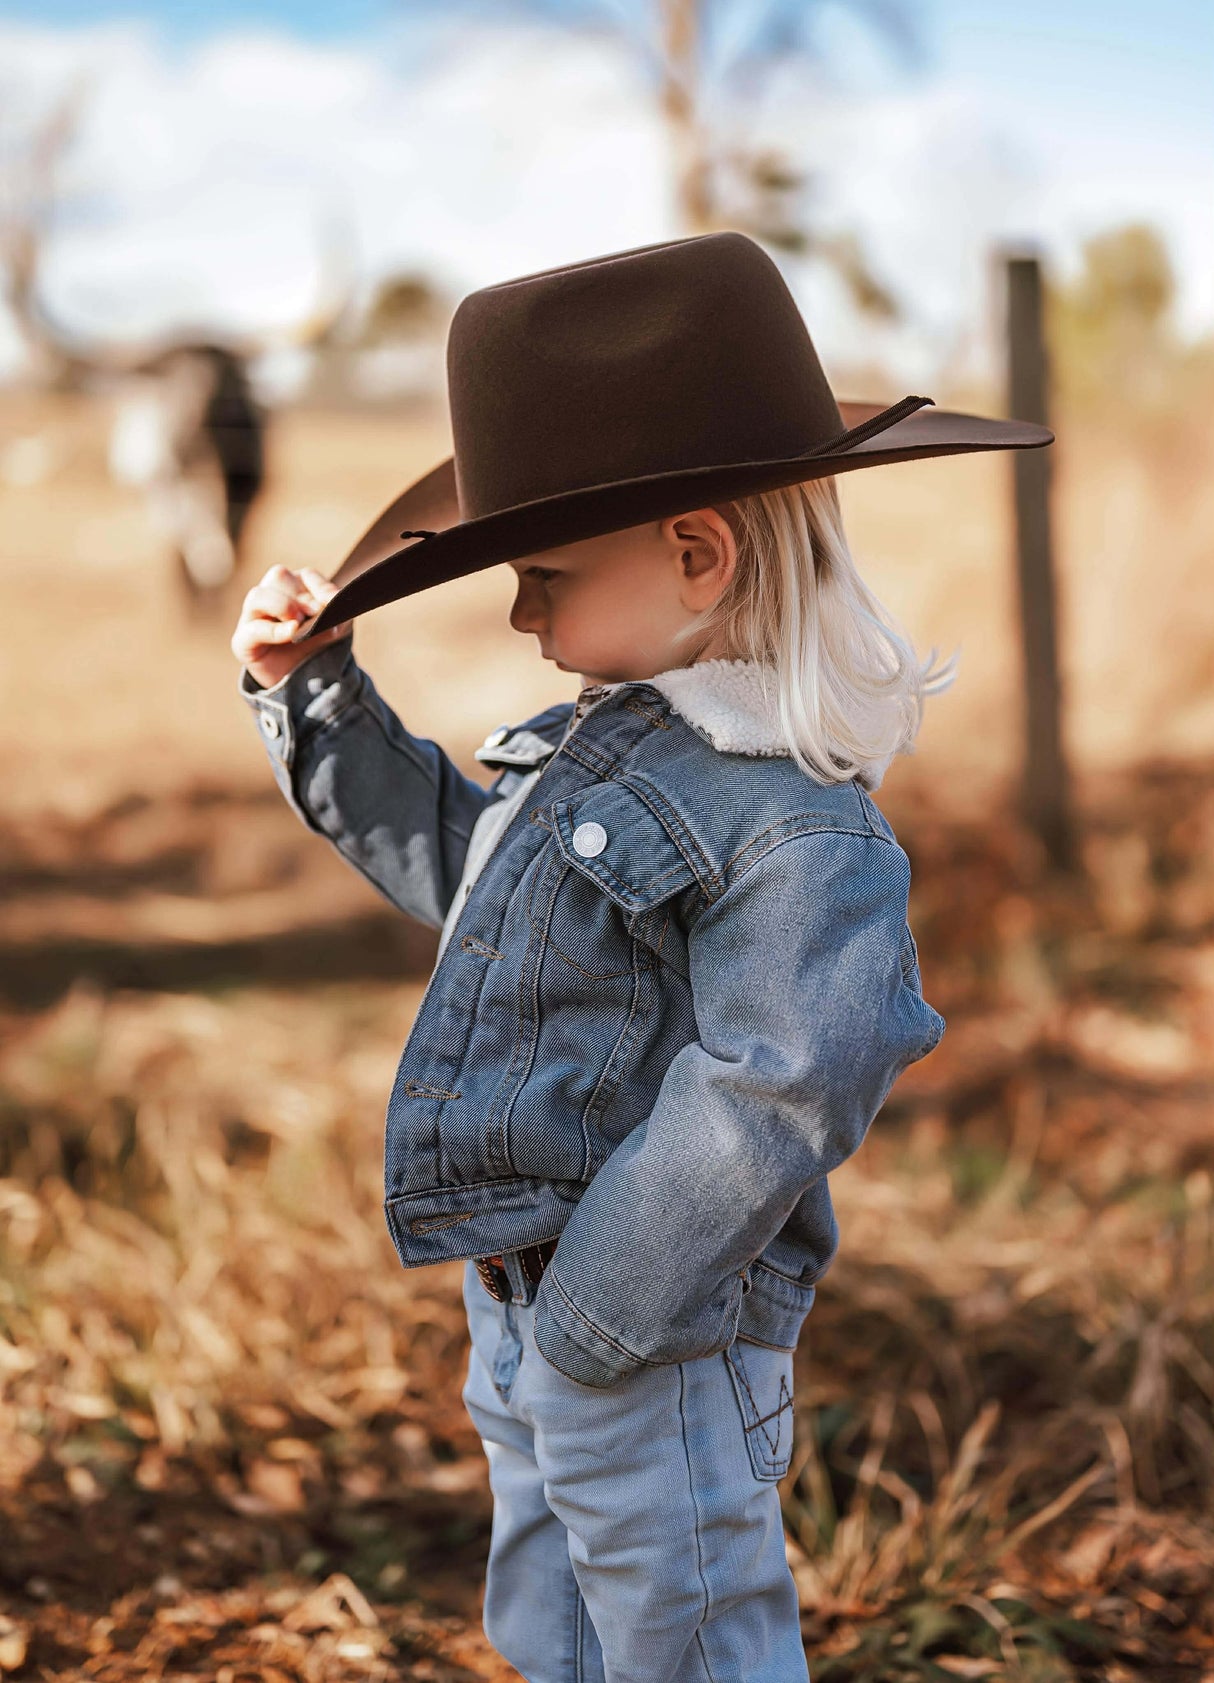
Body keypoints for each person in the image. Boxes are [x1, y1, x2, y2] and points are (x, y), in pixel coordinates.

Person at [230, 232, 1052, 1682]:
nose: (517, 613)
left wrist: (604, 1311)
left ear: (696, 554)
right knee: (552, 1607)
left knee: (678, 1623)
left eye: (541, 572)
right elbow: (457, 867)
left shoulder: (800, 836)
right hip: (527, 1301)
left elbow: (783, 1084)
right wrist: (314, 698)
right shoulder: (589, 761)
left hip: (653, 1326)